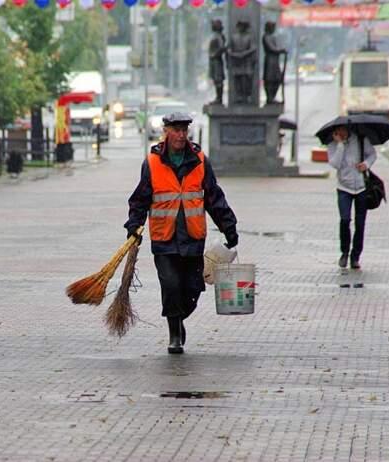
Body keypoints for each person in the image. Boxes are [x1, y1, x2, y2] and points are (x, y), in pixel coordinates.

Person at [124, 112, 238, 354]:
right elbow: (140, 199)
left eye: (184, 130)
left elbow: (214, 197)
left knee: (193, 288)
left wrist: (229, 227)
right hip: (164, 239)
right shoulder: (152, 163)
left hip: (193, 238)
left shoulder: (199, 161)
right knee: (171, 285)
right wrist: (134, 225)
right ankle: (174, 332)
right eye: (176, 130)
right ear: (166, 131)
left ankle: (178, 318)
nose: (180, 135)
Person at [327, 125, 377, 270]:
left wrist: (366, 164)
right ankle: (344, 252)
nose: (342, 133)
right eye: (338, 131)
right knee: (345, 220)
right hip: (344, 187)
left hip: (361, 187)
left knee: (360, 223)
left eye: (344, 130)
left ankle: (355, 257)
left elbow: (372, 154)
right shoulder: (332, 145)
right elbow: (335, 164)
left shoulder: (360, 140)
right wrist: (340, 145)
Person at [227, 20, 257, 104]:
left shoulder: (249, 37)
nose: (241, 28)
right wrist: (233, 54)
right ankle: (239, 95)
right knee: (237, 79)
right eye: (240, 26)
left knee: (247, 79)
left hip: (247, 61)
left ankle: (247, 95)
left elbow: (253, 48)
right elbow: (229, 48)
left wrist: (244, 53)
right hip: (236, 61)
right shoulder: (234, 37)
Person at [262, 21, 287, 105]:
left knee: (277, 79)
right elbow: (271, 48)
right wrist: (281, 50)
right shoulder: (266, 37)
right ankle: (270, 97)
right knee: (270, 79)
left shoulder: (272, 37)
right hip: (270, 61)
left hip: (275, 61)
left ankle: (273, 96)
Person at [208, 19, 226, 105]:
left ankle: (219, 98)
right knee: (216, 80)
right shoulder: (215, 35)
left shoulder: (218, 36)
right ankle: (218, 98)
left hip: (216, 61)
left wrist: (215, 54)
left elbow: (222, 47)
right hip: (213, 60)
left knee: (218, 79)